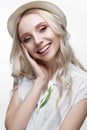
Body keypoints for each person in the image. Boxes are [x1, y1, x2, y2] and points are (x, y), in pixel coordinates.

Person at [5, 1, 87, 130]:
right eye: (27, 38)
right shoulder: (23, 78)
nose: (37, 41)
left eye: (43, 28)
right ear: (23, 47)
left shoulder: (82, 84)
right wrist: (40, 82)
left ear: (57, 27)